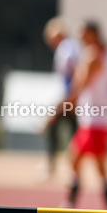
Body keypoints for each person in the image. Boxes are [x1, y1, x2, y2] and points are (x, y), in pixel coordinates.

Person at [44, 21, 107, 213]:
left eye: (83, 35)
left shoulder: (92, 55)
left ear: (92, 34)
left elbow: (79, 87)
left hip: (92, 120)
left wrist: (58, 111)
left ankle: (73, 211)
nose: (80, 39)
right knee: (93, 165)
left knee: (80, 161)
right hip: (101, 119)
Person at [41, 18, 80, 180]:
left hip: (69, 98)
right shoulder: (72, 47)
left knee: (55, 129)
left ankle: (55, 167)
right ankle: (72, 169)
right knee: (73, 133)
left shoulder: (65, 50)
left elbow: (70, 76)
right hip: (73, 98)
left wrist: (66, 99)